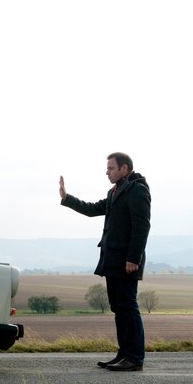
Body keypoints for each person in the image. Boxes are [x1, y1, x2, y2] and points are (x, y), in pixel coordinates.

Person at [59, 152, 151, 372]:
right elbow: (92, 209)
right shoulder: (114, 191)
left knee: (128, 307)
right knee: (118, 308)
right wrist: (67, 198)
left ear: (124, 169)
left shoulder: (138, 190)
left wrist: (133, 258)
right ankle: (124, 353)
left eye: (111, 168)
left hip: (127, 261)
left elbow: (142, 226)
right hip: (112, 260)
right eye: (107, 168)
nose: (107, 172)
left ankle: (134, 358)